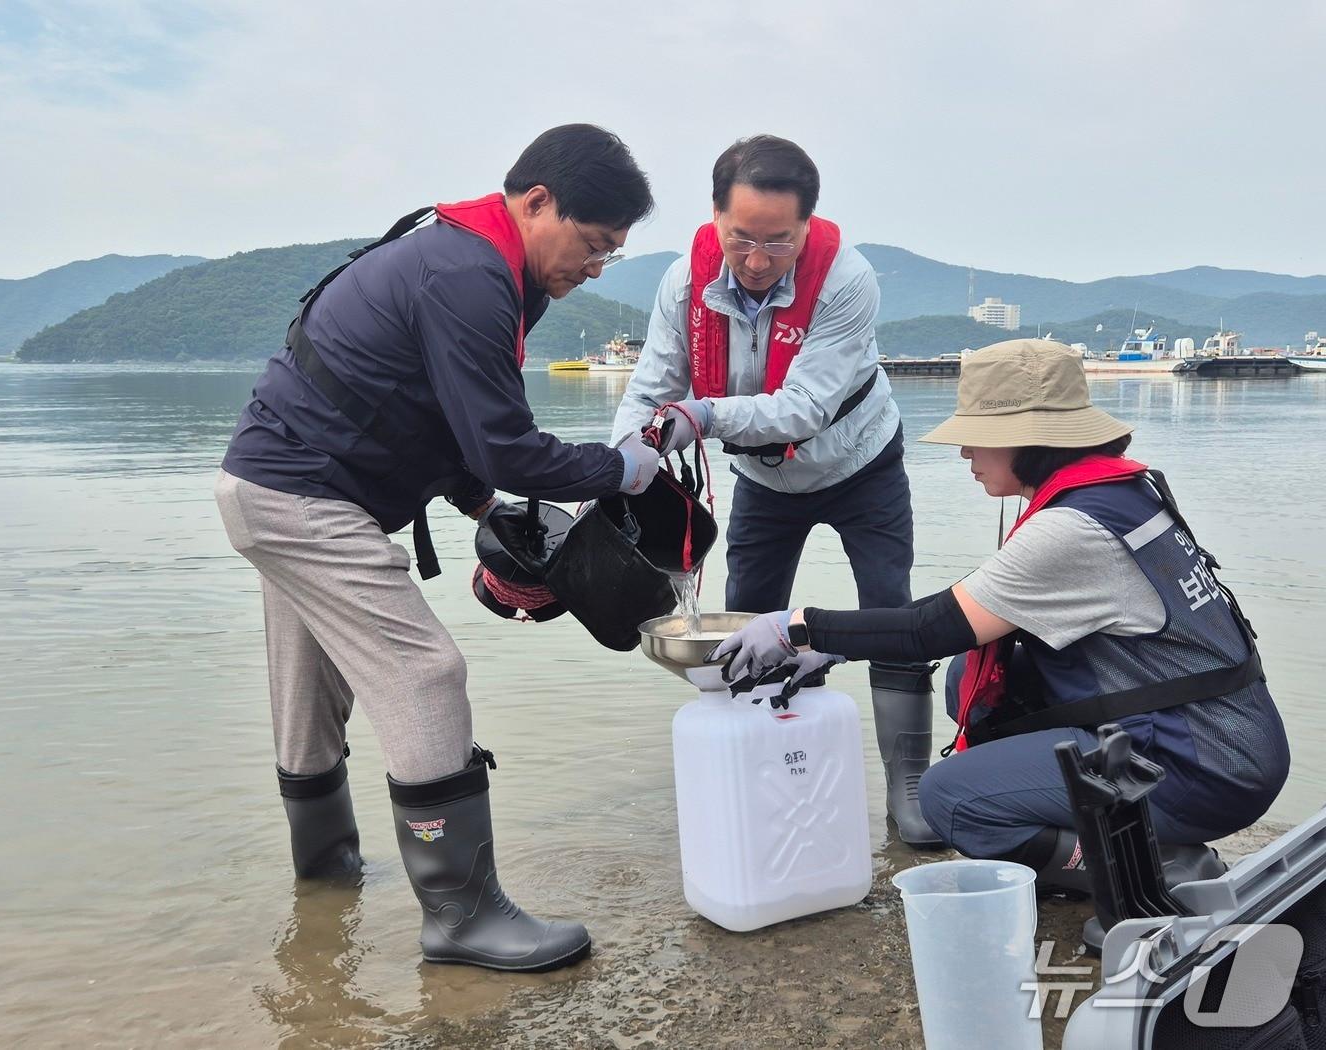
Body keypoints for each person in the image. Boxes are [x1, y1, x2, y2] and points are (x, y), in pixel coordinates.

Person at [215, 124, 660, 974]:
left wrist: (484, 505)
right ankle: (462, 916)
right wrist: (621, 468)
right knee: (426, 673)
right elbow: (507, 446)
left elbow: (433, 415)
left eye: (612, 253)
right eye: (595, 244)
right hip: (304, 499)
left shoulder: (469, 259)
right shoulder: (468, 274)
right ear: (538, 203)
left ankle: (325, 881)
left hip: (275, 488)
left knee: (310, 694)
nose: (597, 267)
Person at [709, 339, 1290, 895]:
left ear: (1027, 440)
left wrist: (798, 628)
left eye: (978, 438)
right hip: (1217, 737)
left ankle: (1153, 868)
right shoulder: (1122, 491)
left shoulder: (1070, 529)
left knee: (951, 799)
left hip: (1198, 768)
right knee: (972, 676)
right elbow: (965, 611)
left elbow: (928, 630)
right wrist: (836, 645)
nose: (965, 453)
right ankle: (1122, 832)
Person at [611, 135, 942, 848]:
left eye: (778, 242)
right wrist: (623, 461)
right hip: (763, 478)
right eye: (741, 238)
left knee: (891, 609)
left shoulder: (848, 280)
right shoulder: (684, 282)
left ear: (807, 225)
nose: (758, 261)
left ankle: (909, 788)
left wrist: (700, 417)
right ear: (715, 216)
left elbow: (804, 408)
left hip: (861, 465)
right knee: (748, 620)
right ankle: (769, 771)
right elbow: (650, 388)